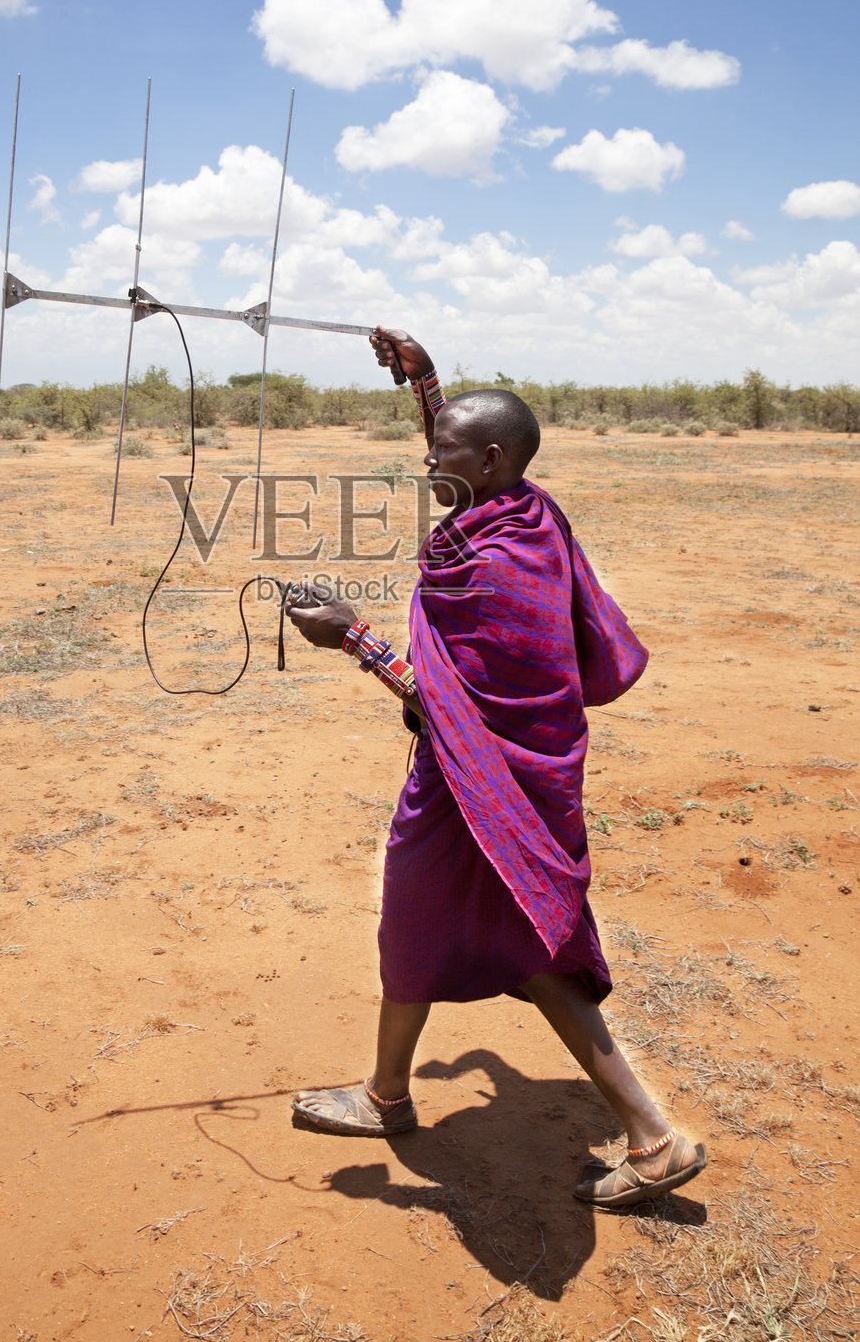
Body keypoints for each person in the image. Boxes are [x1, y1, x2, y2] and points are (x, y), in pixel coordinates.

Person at [283, 327, 707, 1210]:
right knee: (427, 924)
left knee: (522, 944)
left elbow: (452, 704)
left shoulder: (500, 563)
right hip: (474, 782)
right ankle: (386, 1095)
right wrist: (424, 379)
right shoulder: (517, 505)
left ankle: (652, 1137)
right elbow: (460, 442)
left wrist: (351, 636)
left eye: (436, 452)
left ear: (484, 459)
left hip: (486, 782)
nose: (421, 464)